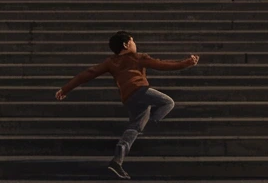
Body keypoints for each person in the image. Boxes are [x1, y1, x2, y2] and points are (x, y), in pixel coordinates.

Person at [55, 30, 200, 179]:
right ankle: (152, 124)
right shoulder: (138, 58)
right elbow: (162, 65)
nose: (135, 43)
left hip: (128, 98)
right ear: (126, 44)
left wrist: (65, 89)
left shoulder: (111, 62)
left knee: (134, 127)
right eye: (133, 41)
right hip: (140, 91)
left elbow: (89, 73)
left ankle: (117, 161)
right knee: (168, 102)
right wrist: (186, 63)